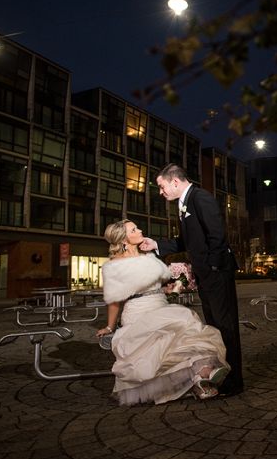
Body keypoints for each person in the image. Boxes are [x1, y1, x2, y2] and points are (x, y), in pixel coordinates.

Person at [96, 219, 230, 405]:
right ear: (124, 239)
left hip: (161, 305)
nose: (140, 229)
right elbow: (114, 301)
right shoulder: (115, 265)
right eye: (134, 229)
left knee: (185, 332)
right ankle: (198, 378)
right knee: (165, 344)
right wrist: (110, 327)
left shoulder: (149, 255)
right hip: (139, 312)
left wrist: (170, 288)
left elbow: (155, 285)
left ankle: (201, 375)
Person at [140, 163, 244, 397]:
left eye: (161, 186)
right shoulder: (183, 203)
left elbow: (217, 234)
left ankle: (235, 382)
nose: (160, 191)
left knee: (226, 326)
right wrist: (157, 245)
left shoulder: (200, 197)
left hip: (216, 273)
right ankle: (223, 374)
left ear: (175, 181)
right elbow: (187, 241)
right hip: (206, 275)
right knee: (215, 328)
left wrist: (212, 268)